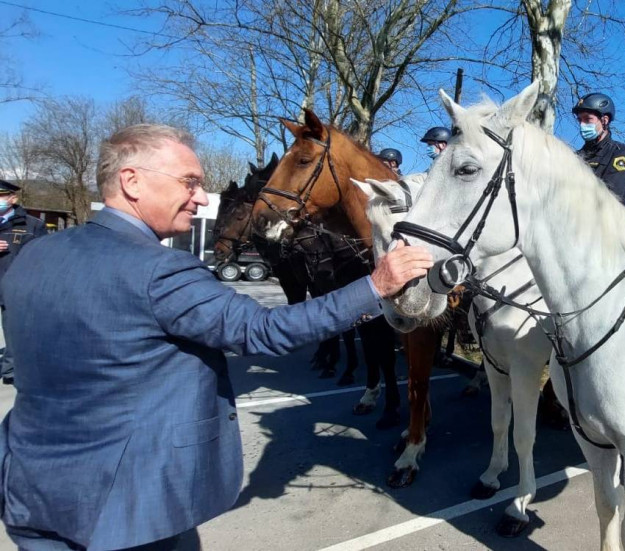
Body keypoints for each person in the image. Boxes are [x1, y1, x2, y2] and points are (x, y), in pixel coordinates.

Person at [0, 124, 433, 550]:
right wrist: (376, 285)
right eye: (189, 183)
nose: (201, 198)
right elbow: (264, 332)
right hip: (127, 509)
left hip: (29, 489)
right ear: (131, 181)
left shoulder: (35, 254)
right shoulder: (159, 271)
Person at [0, 180, 47, 386]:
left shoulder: (32, 225)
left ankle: (10, 369)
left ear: (12, 198)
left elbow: (41, 257)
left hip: (12, 284)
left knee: (12, 329)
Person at [572, 93, 625, 204]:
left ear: (604, 120)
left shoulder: (621, 153)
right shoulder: (575, 156)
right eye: (580, 120)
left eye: (588, 119)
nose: (582, 125)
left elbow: (611, 197)